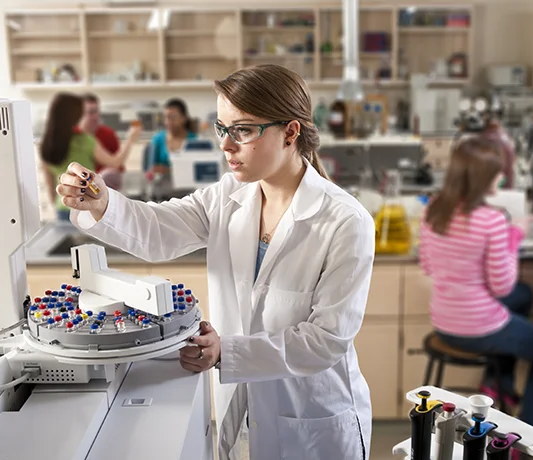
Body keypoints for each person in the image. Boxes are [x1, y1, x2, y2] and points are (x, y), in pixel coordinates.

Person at [55, 64, 375, 460]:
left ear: (291, 132)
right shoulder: (228, 197)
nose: (225, 145)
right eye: (221, 128)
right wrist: (103, 204)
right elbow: (159, 231)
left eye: (242, 130)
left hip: (312, 424)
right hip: (240, 414)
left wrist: (226, 352)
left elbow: (325, 341)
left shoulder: (346, 221)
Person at [419, 137, 533, 433]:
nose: (502, 177)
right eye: (497, 172)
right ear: (483, 178)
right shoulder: (491, 221)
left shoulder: (432, 211)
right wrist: (514, 236)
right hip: (478, 328)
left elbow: (428, 266)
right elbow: (502, 287)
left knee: (525, 296)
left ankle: (500, 384)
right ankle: (529, 438)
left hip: (444, 321)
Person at [40, 92, 140, 221]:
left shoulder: (46, 145)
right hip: (84, 207)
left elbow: (50, 187)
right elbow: (115, 162)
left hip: (63, 207)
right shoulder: (85, 141)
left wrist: (58, 204)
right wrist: (130, 139)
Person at [80, 93, 124, 190]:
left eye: (97, 112)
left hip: (105, 189)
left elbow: (118, 167)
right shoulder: (74, 138)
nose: (95, 117)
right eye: (91, 112)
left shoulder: (109, 134)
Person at [146, 98, 199, 174]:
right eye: (165, 117)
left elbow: (195, 170)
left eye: (172, 117)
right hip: (161, 184)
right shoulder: (158, 139)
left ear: (184, 118)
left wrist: (168, 170)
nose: (168, 122)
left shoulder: (194, 140)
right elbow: (151, 170)